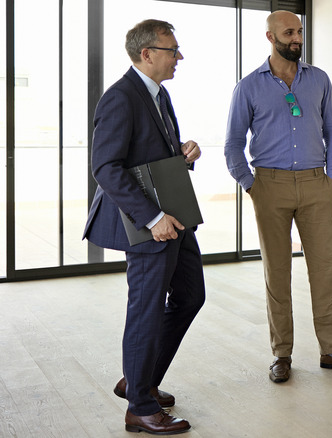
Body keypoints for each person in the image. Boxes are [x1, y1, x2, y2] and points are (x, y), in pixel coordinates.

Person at [224, 10, 332, 384]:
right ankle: (282, 353)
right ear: (270, 36)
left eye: (300, 32)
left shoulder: (318, 80)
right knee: (278, 271)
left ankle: (331, 349)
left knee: (326, 270)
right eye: (289, 33)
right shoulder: (248, 87)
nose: (297, 39)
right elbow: (233, 145)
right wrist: (251, 185)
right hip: (268, 186)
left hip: (316, 184)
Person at [83, 19, 204, 434]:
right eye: (172, 50)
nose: (179, 57)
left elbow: (150, 153)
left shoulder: (159, 93)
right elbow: (105, 167)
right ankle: (140, 405)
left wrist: (184, 151)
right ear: (147, 53)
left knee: (190, 296)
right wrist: (152, 219)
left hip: (176, 216)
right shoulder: (120, 97)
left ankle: (139, 379)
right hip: (149, 223)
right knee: (147, 311)